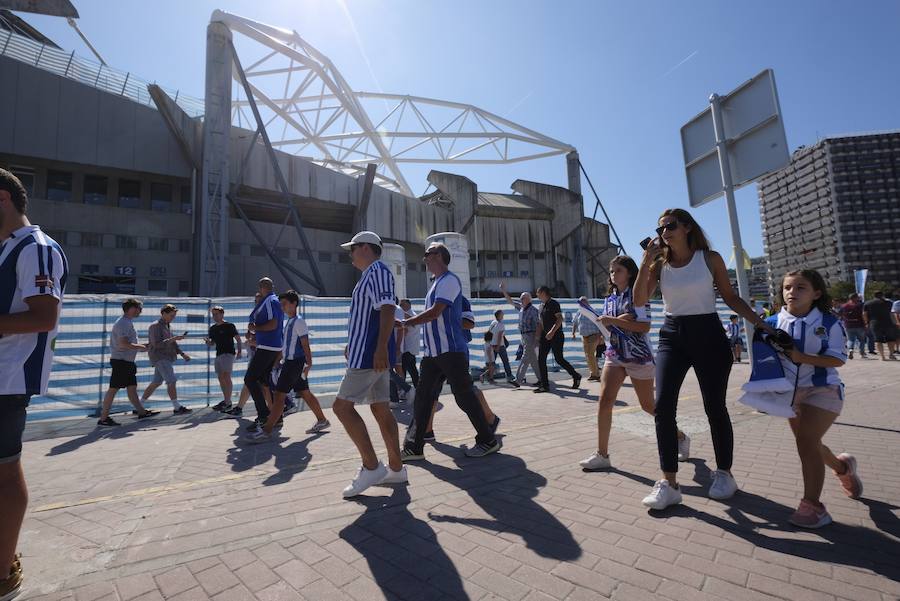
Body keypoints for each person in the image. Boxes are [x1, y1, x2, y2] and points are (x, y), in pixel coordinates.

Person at [634, 208, 775, 510]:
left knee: (714, 407)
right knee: (663, 407)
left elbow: (730, 297)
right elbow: (638, 300)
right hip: (672, 334)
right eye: (660, 229)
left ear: (687, 228)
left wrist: (760, 323)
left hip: (708, 333)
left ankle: (724, 473)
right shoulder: (659, 264)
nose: (664, 232)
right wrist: (646, 262)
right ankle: (670, 483)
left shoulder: (710, 259)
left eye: (670, 226)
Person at [0, 168, 68, 600]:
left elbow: (44, 317)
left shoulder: (36, 248)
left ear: (2, 199)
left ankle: (3, 571)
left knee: (5, 471)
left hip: (6, 379)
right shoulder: (9, 248)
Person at [770, 270, 862, 528]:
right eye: (787, 287)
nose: (792, 292)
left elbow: (838, 359)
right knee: (809, 444)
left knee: (806, 442)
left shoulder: (830, 322)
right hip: (790, 394)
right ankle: (843, 468)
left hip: (824, 390)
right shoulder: (772, 321)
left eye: (801, 287)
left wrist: (802, 358)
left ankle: (813, 507)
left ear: (816, 293)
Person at [580, 256, 688, 470]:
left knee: (648, 406)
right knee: (605, 401)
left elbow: (644, 327)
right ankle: (602, 454)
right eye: (611, 271)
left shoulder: (638, 294)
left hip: (638, 356)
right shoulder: (610, 299)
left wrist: (614, 321)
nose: (613, 274)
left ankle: (680, 436)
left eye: (618, 270)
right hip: (615, 354)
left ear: (629, 273)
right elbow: (613, 326)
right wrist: (607, 326)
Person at [401, 242, 501, 461]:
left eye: (427, 254)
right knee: (423, 399)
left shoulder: (449, 281)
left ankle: (488, 439)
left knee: (464, 396)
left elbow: (435, 313)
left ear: (439, 256)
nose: (424, 258)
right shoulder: (436, 283)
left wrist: (407, 322)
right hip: (433, 354)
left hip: (451, 351)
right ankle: (414, 447)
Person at [331, 231, 406, 497]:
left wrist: (380, 347)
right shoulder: (371, 274)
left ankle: (371, 466)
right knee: (380, 408)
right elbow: (370, 315)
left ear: (365, 248)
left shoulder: (378, 272)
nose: (350, 255)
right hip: (367, 351)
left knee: (341, 407)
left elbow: (387, 308)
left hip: (369, 355)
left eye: (352, 249)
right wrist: (354, 343)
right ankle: (396, 468)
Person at [245, 291, 328, 442]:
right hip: (291, 363)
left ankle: (266, 431)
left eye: (284, 304)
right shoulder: (289, 321)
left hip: (294, 363)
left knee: (279, 395)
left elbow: (305, 344)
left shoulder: (299, 322)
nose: (282, 307)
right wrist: (278, 360)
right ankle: (322, 420)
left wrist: (309, 364)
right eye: (281, 304)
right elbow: (287, 345)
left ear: (294, 303)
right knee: (305, 392)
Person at [97, 298, 159, 426]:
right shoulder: (123, 323)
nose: (140, 311)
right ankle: (103, 418)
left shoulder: (127, 322)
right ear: (131, 309)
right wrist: (142, 347)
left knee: (132, 388)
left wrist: (142, 346)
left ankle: (141, 412)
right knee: (113, 389)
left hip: (126, 362)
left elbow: (128, 343)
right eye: (139, 308)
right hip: (121, 362)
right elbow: (123, 343)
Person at [244, 278, 284, 431]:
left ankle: (263, 416)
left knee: (250, 379)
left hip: (268, 346)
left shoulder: (270, 301)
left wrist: (255, 328)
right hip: (270, 346)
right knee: (264, 381)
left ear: (261, 287)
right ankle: (276, 417)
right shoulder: (272, 300)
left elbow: (273, 324)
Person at [141, 304, 192, 415]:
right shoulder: (155, 326)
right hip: (160, 357)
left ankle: (139, 405)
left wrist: (182, 354)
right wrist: (173, 339)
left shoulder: (168, 326)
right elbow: (156, 344)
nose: (173, 318)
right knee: (171, 381)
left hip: (165, 358)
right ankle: (177, 407)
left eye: (174, 316)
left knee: (156, 382)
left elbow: (173, 343)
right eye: (171, 315)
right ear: (163, 313)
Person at [535, 286, 582, 393]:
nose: (537, 295)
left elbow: (560, 318)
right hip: (545, 336)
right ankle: (544, 385)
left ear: (544, 292)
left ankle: (576, 375)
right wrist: (538, 336)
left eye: (538, 293)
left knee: (559, 359)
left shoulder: (554, 303)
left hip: (556, 335)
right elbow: (541, 323)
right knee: (541, 359)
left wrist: (552, 332)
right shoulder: (541, 306)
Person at [500, 282, 540, 386]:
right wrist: (503, 290)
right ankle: (541, 379)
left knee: (525, 358)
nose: (521, 299)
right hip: (524, 336)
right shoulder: (522, 308)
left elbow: (538, 325)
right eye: (521, 298)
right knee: (532, 360)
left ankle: (518, 380)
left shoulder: (533, 310)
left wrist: (536, 339)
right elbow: (510, 301)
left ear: (528, 299)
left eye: (523, 298)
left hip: (530, 335)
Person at [206, 306, 242, 412]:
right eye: (213, 314)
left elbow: (238, 339)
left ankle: (228, 401)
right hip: (219, 354)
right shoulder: (212, 328)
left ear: (222, 314)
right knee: (220, 377)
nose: (215, 316)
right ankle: (226, 400)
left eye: (217, 314)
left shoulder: (229, 326)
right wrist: (208, 342)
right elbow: (212, 343)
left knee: (226, 376)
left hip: (228, 353)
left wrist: (239, 351)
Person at [573, 296, 603, 381]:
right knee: (588, 355)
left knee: (590, 354)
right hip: (584, 336)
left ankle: (596, 374)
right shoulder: (579, 312)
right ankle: (593, 373)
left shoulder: (593, 311)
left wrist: (601, 335)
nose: (581, 303)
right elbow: (575, 322)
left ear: (587, 302)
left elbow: (600, 323)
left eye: (583, 302)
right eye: (580, 302)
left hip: (593, 335)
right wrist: (573, 332)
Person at [864, 291, 898, 361]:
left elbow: (864, 314)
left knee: (878, 340)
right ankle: (891, 354)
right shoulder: (889, 303)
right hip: (888, 323)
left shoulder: (868, 303)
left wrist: (866, 322)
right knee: (891, 339)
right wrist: (895, 322)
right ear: (882, 295)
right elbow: (892, 313)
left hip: (875, 323)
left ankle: (882, 356)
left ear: (874, 295)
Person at [488, 310, 516, 384]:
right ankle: (509, 376)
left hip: (492, 344)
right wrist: (498, 346)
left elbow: (490, 333)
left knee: (492, 362)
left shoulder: (493, 323)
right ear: (499, 315)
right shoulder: (500, 324)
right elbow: (500, 336)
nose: (503, 315)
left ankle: (490, 377)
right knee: (505, 361)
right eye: (502, 314)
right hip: (499, 345)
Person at [398, 299, 420, 389]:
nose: (400, 307)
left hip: (408, 349)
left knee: (402, 370)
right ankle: (418, 389)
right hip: (410, 349)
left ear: (408, 305)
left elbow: (408, 323)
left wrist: (396, 311)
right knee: (413, 372)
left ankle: (404, 389)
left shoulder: (412, 316)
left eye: (402, 305)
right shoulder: (411, 315)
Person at [840, 293, 868, 359]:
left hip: (848, 325)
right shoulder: (860, 305)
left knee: (850, 339)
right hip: (859, 325)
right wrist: (866, 323)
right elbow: (863, 314)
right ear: (856, 298)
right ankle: (862, 353)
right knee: (861, 340)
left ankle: (850, 349)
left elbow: (840, 315)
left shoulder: (844, 306)